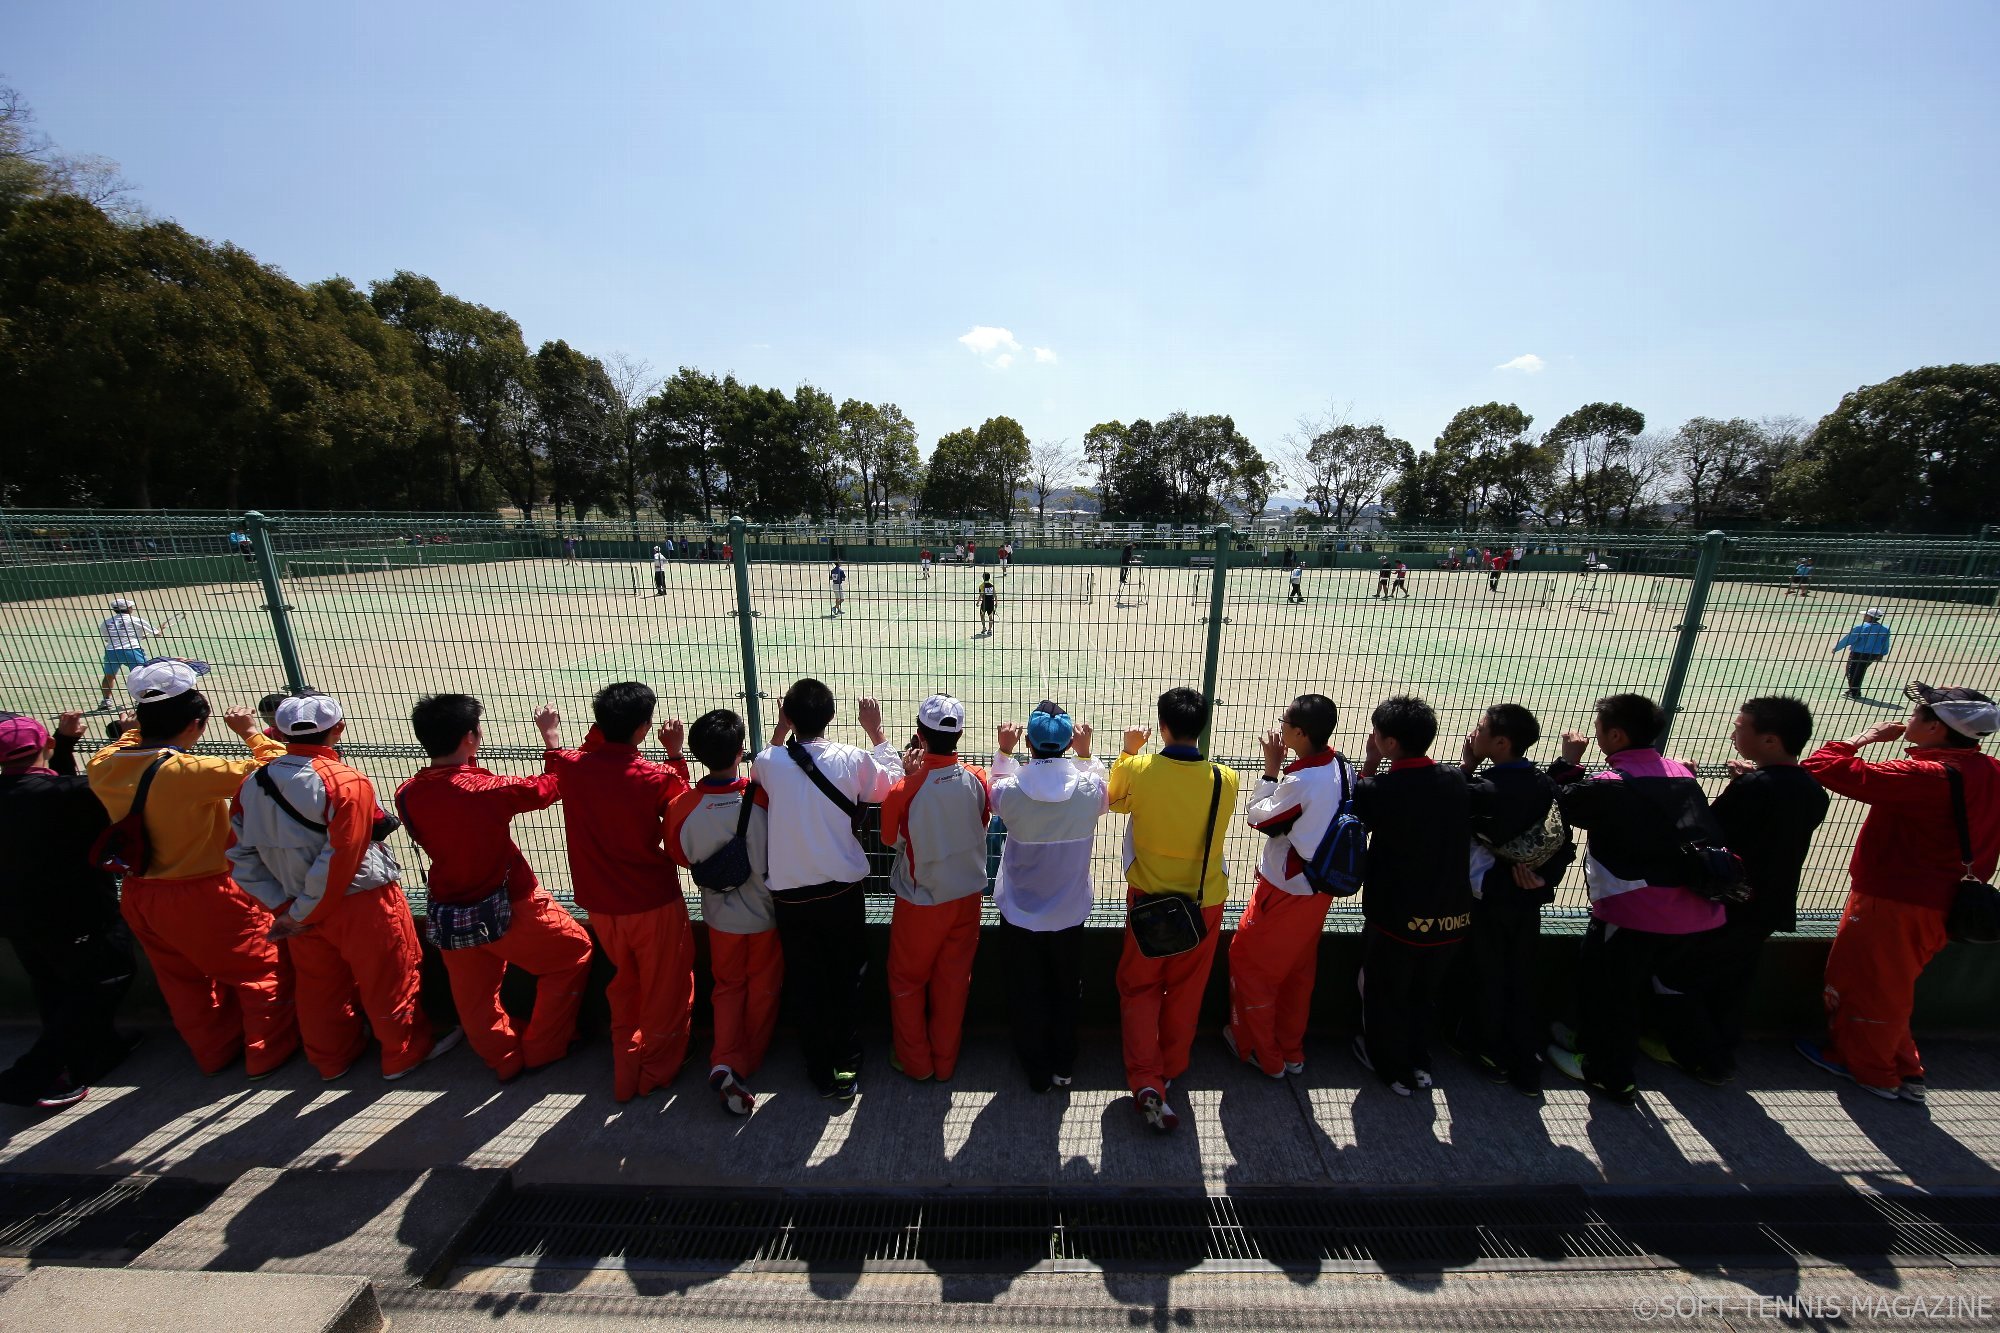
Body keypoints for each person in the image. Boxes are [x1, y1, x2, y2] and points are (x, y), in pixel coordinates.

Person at [227, 692, 461, 1082]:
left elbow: (239, 855)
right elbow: (343, 854)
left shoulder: (253, 782)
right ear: (339, 729)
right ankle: (402, 1054)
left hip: (290, 901)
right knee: (390, 975)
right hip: (360, 902)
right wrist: (305, 908)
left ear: (279, 731)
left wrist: (283, 906)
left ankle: (330, 1059)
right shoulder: (345, 780)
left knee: (319, 987)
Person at [86, 660, 296, 1077]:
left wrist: (134, 728)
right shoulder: (190, 771)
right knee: (260, 972)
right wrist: (252, 733)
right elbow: (280, 771)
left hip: (140, 893)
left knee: (181, 981)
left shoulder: (104, 764)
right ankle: (265, 1056)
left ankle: (212, 1053)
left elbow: (125, 743)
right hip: (203, 892)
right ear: (196, 725)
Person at [1797, 683, 2000, 1102]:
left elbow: (1823, 765)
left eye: (1918, 713)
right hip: (1944, 901)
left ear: (1935, 727)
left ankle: (1875, 1073)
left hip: (1895, 898)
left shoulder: (1925, 775)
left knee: (1866, 983)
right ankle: (1905, 1068)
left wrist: (1863, 738)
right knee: (1892, 983)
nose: (1909, 719)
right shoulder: (1990, 770)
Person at [396, 694, 593, 1084]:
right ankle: (543, 1047)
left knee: (475, 994)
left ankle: (502, 1057)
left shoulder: (408, 792)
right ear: (470, 738)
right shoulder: (485, 789)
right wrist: (552, 739)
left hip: (449, 907)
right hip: (509, 902)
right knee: (573, 952)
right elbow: (549, 787)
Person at [1543, 693, 1727, 1104]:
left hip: (1636, 910)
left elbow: (1559, 804)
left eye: (1598, 730)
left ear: (1615, 734)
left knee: (1611, 990)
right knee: (1669, 987)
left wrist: (1569, 763)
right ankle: (1705, 1061)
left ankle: (1608, 1073)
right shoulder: (1680, 773)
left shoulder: (1611, 785)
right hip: (1699, 910)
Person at [1648, 697, 1827, 1085]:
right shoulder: (1812, 789)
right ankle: (1722, 1048)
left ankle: (1699, 1056)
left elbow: (1707, 831)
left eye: (1741, 727)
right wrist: (1742, 783)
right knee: (1734, 979)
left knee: (1676, 976)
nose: (1734, 733)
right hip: (1770, 904)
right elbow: (1768, 831)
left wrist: (1688, 786)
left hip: (1730, 903)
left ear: (1770, 741)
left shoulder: (1753, 788)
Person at [540, 684, 695, 1103]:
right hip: (651, 900)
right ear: (644, 729)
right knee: (667, 989)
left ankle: (625, 1070)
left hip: (599, 903)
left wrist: (552, 737)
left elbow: (559, 760)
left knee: (625, 985)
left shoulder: (572, 766)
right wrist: (677, 754)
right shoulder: (655, 776)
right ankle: (654, 1071)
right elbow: (683, 810)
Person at [753, 679, 902, 1099]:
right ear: (833, 717)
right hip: (840, 890)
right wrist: (876, 733)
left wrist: (781, 730)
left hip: (790, 894)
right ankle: (846, 1065)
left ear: (789, 716)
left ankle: (817, 1066)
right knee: (847, 976)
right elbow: (888, 785)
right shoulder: (851, 758)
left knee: (806, 979)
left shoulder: (771, 762)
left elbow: (762, 761)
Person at [1108, 687, 1239, 1133]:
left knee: (1139, 988)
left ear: (1161, 726)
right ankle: (1172, 1066)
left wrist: (1129, 750)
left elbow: (1113, 795)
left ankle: (1145, 1079)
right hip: (1204, 904)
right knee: (1186, 989)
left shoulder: (1142, 770)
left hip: (1149, 903)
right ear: (1201, 728)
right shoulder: (1226, 779)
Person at [0, 711, 138, 1109]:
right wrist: (130, 738)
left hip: (15, 915)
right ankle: (39, 1074)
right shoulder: (74, 796)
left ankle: (102, 1049)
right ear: (45, 745)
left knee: (50, 982)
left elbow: (42, 790)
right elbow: (87, 789)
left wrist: (65, 745)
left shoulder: (55, 795)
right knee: (104, 980)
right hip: (75, 913)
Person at [1350, 696, 1472, 1096]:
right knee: (1424, 993)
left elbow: (1356, 811)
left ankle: (1390, 1067)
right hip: (1451, 914)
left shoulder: (1381, 787)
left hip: (1397, 914)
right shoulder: (1455, 780)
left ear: (1389, 743)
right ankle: (1419, 1061)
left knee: (1384, 991)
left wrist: (1369, 765)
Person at [1226, 695, 1353, 1079]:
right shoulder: (1341, 766)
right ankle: (1292, 1050)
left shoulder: (1300, 781)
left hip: (1287, 891)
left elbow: (1258, 819)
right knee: (1298, 971)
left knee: (1249, 965)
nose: (1279, 727)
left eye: (1284, 722)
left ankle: (1263, 1055)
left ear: (1299, 732)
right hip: (1321, 889)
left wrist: (1270, 772)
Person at [1456, 703, 1575, 1096]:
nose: (1475, 732)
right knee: (1520, 976)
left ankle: (1488, 1051)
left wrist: (1467, 765)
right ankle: (1527, 1061)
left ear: (1501, 742)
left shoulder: (1485, 789)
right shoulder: (1544, 783)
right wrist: (1541, 881)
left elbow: (1447, 810)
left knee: (1486, 973)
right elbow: (1563, 842)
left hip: (1489, 897)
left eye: (1481, 727)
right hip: (1527, 898)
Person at [667, 709, 780, 1116]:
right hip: (764, 913)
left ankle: (724, 1057)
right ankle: (745, 1062)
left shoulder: (682, 807)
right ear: (741, 752)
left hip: (718, 917)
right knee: (763, 988)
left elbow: (681, 856)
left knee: (727, 987)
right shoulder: (762, 796)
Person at [991, 701, 1106, 1093]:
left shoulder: (1010, 792)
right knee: (1065, 988)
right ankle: (1064, 1063)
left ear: (1029, 741)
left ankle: (1035, 1068)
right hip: (1069, 913)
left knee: (1026, 990)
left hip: (1021, 913)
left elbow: (996, 788)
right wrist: (1087, 755)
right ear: (1069, 742)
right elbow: (1100, 784)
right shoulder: (1089, 792)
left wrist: (1005, 752)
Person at [879, 695, 992, 1083]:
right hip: (967, 899)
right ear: (959, 736)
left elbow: (889, 837)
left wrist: (907, 779)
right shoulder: (977, 779)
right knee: (954, 980)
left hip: (921, 901)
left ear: (918, 737)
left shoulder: (904, 790)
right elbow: (982, 820)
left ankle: (917, 1063)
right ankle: (945, 1063)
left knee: (907, 981)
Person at [96, 598, 159, 712]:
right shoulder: (136, 620)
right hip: (132, 650)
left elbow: (108, 639)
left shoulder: (106, 622)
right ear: (128, 608)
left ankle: (106, 700)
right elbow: (157, 634)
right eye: (131, 606)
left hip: (112, 652)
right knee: (140, 675)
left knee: (109, 676)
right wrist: (159, 631)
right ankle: (141, 699)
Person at [1832, 610, 1891, 699]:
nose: (1864, 616)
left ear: (1870, 617)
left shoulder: (1861, 628)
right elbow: (1885, 643)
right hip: (1873, 655)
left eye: (1866, 615)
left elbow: (1849, 638)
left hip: (1858, 653)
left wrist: (1837, 647)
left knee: (1851, 671)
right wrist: (1882, 653)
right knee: (1860, 671)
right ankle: (1854, 690)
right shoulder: (1885, 629)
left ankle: (1854, 692)